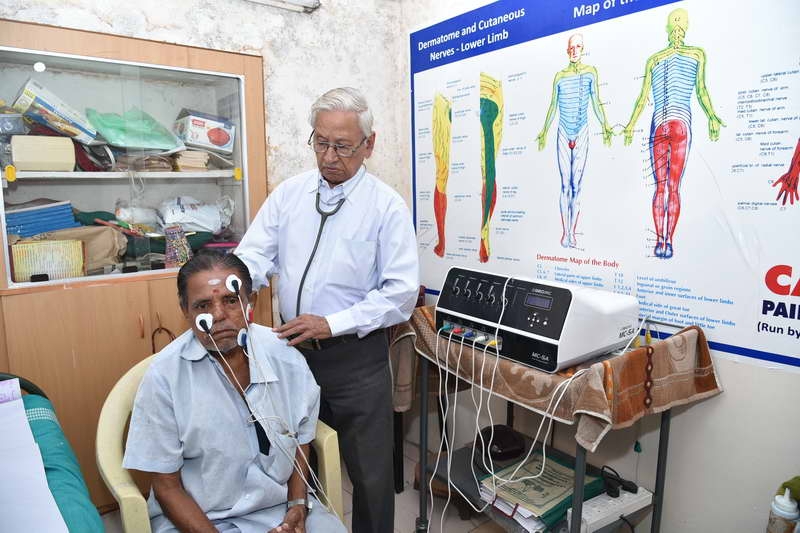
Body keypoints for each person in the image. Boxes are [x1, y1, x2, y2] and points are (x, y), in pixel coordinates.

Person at [235, 87, 419, 533]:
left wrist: (332, 324)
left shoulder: (386, 207)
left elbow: (401, 293)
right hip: (291, 352)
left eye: (343, 146)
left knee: (370, 474)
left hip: (356, 359)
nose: (329, 157)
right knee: (295, 458)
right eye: (320, 143)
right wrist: (235, 286)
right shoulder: (289, 195)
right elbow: (254, 255)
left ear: (369, 145)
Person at [123, 252, 345, 533]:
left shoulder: (285, 357)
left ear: (250, 302)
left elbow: (300, 439)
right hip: (197, 517)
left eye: (230, 300)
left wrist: (297, 507)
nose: (218, 315)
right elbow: (167, 487)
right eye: (203, 305)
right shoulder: (165, 378)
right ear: (185, 311)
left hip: (277, 507)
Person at [623, 8, 723, 259]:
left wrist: (712, 116)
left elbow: (645, 97)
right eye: (676, 23)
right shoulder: (691, 55)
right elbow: (700, 91)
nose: (677, 27)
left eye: (679, 23)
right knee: (671, 187)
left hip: (665, 125)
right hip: (677, 125)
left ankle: (663, 241)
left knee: (663, 187)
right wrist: (711, 116)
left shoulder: (662, 58)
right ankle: (665, 240)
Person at [536, 33, 613, 249]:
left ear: (583, 49)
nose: (574, 51)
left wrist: (605, 125)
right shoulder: (559, 76)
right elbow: (553, 105)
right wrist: (544, 131)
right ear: (567, 50)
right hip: (563, 131)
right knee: (564, 184)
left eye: (578, 47)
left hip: (582, 132)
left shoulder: (591, 72)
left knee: (576, 185)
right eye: (571, 47)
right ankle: (566, 232)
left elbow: (596, 102)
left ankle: (572, 232)